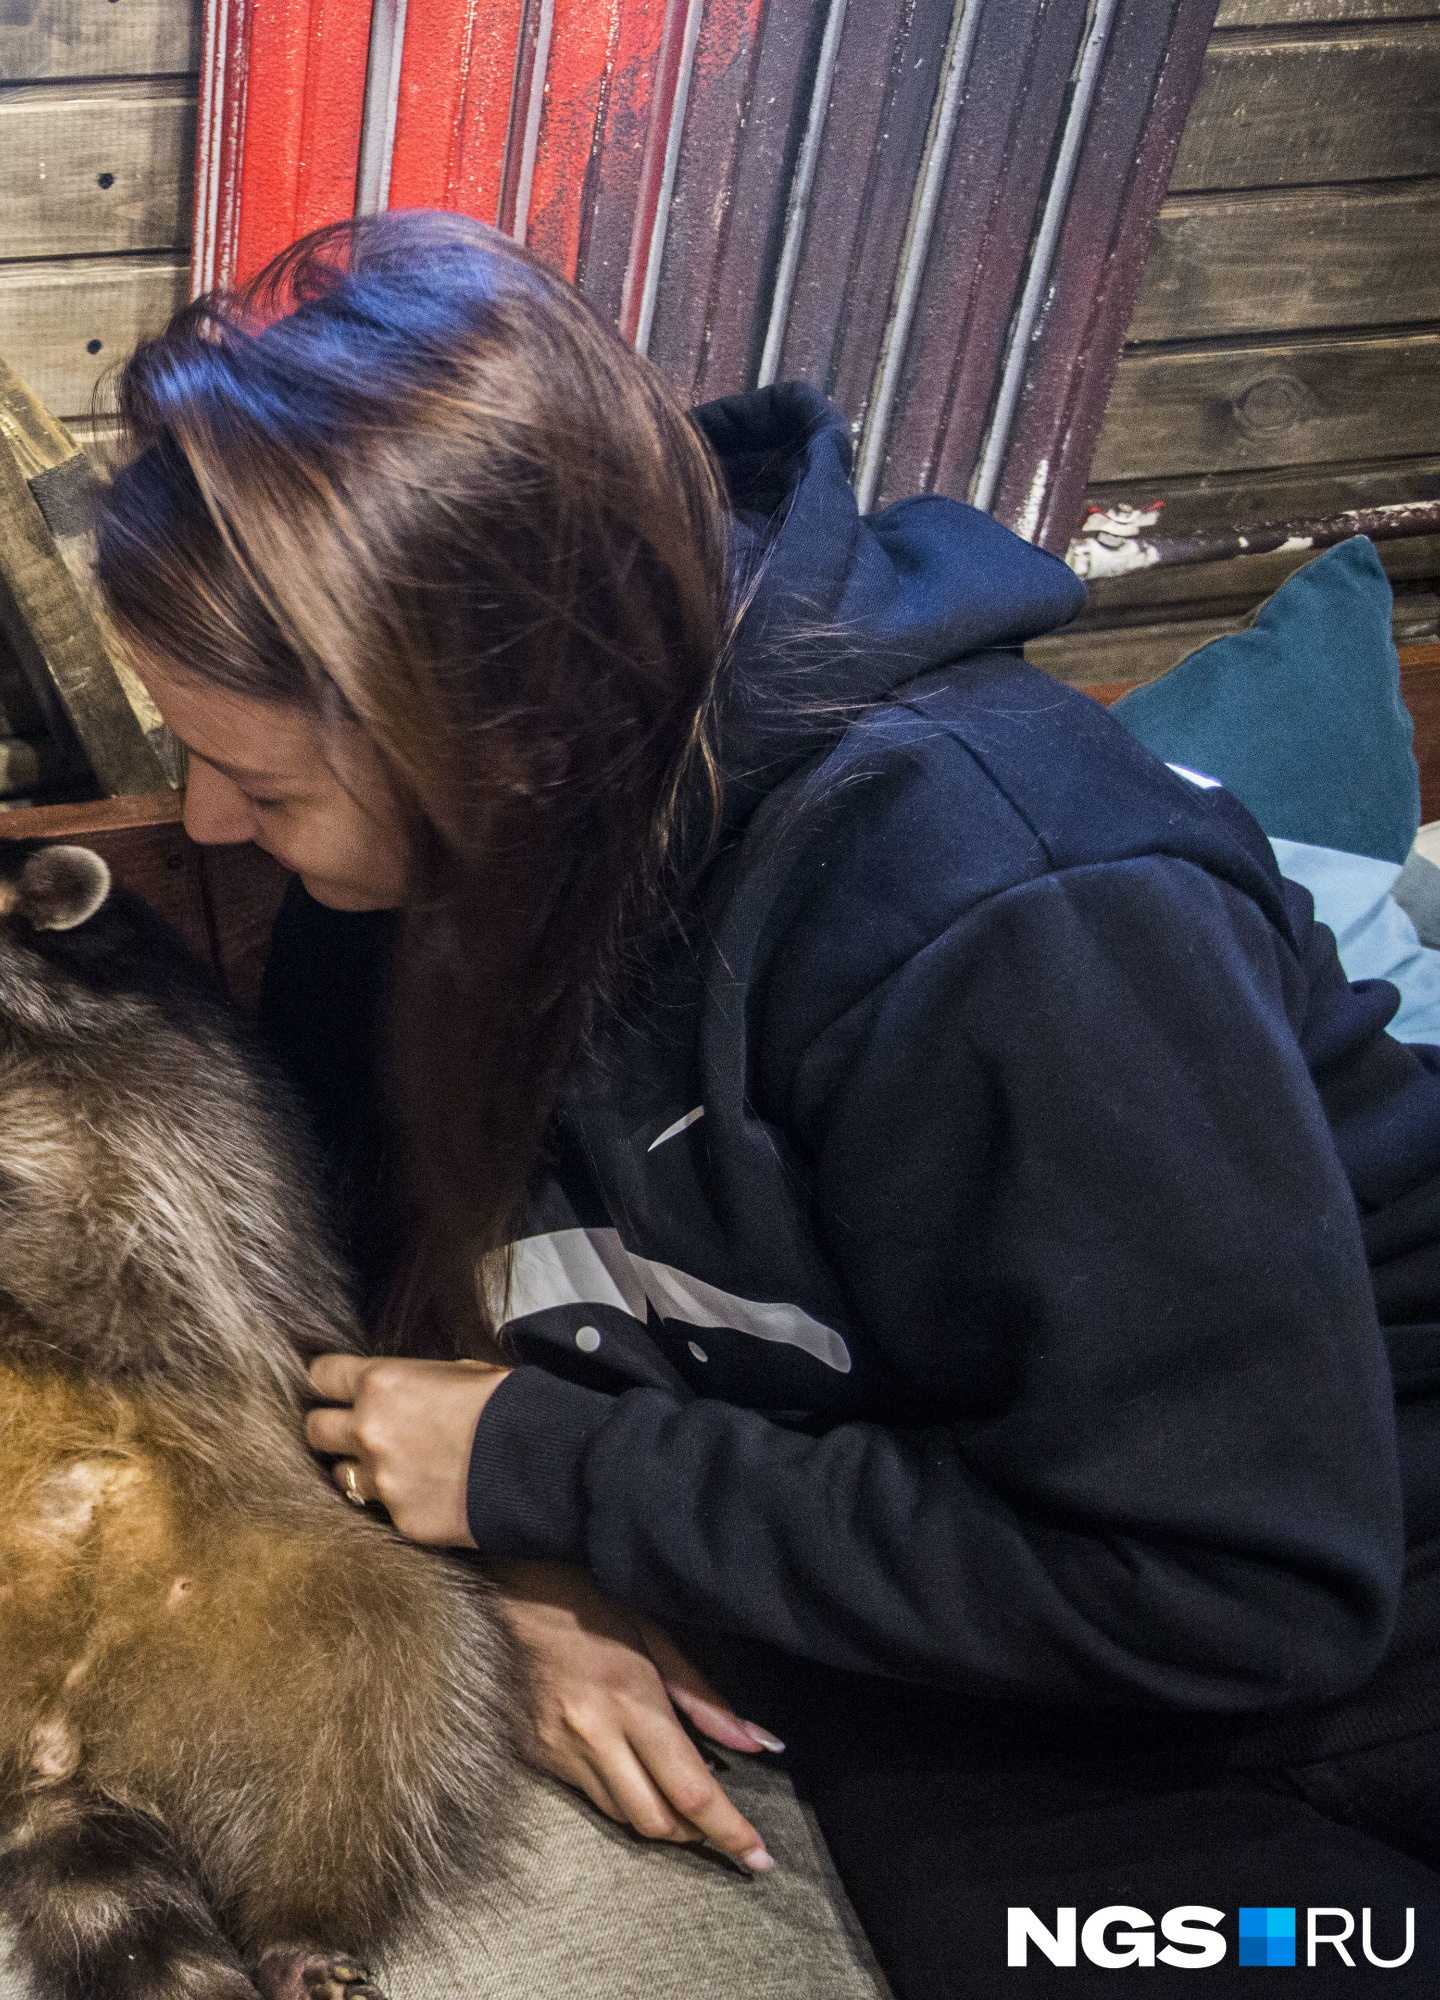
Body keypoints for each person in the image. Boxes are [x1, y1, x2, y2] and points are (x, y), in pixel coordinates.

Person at [92, 212, 1440, 1997]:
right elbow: (371, 1288)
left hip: (1311, 1604)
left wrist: (552, 1472)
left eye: (255, 780)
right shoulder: (419, 869)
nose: (201, 829)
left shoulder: (1008, 905)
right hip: (957, 1611)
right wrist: (523, 1560)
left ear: (497, 724)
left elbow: (1241, 1585)